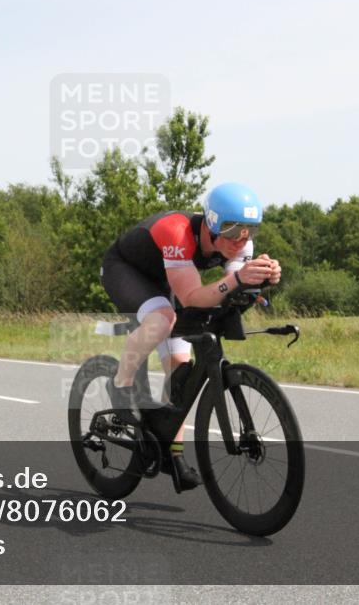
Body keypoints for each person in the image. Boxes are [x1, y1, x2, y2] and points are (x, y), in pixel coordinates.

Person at [100, 183, 282, 491]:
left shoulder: (240, 244)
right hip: (127, 271)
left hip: (171, 274)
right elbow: (194, 295)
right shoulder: (177, 232)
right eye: (231, 229)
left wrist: (263, 277)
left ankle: (173, 454)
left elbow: (228, 288)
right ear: (211, 222)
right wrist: (239, 278)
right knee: (163, 319)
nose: (240, 239)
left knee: (180, 369)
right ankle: (120, 384)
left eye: (248, 230)